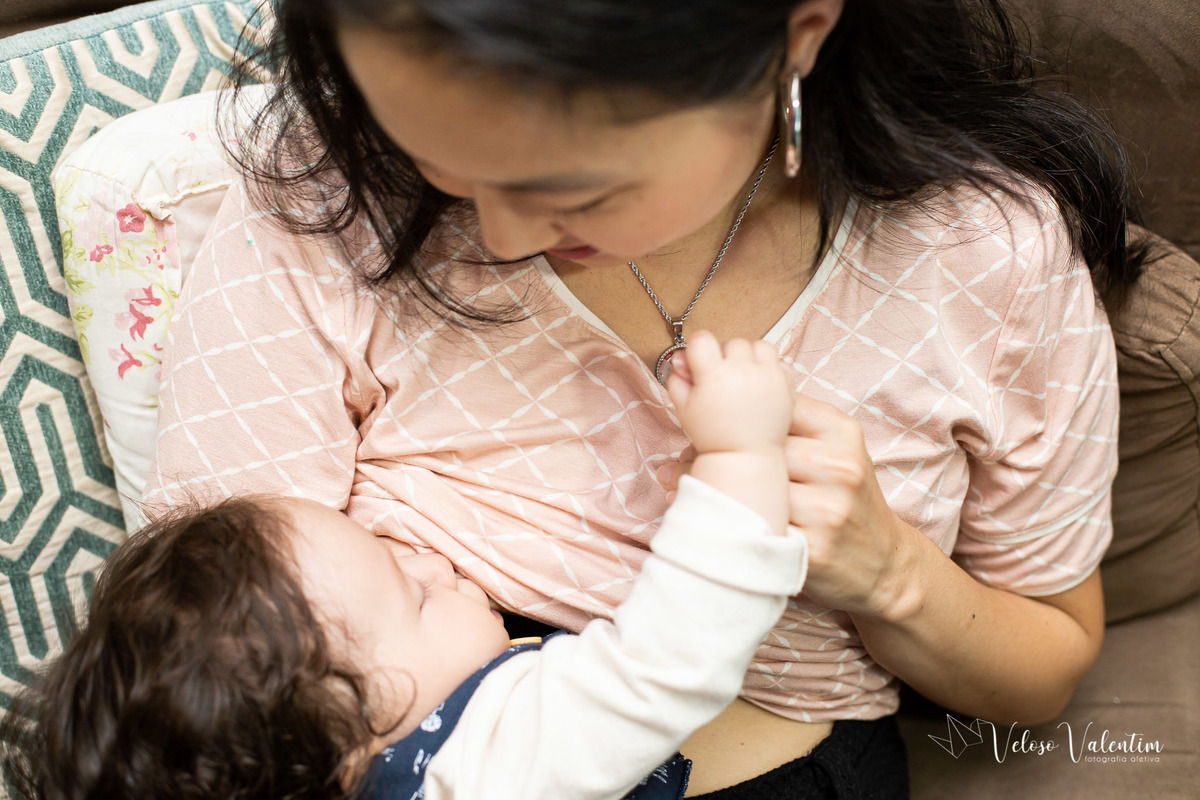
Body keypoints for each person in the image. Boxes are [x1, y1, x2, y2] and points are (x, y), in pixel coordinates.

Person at [144, 0, 1144, 796]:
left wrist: (892, 577)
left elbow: (1043, 667)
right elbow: (225, 666)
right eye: (440, 167)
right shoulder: (324, 187)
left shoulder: (983, 254)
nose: (498, 238)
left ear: (795, 34)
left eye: (576, 189)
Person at [3, 335, 808, 800]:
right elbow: (673, 656)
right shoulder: (485, 768)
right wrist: (742, 453)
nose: (433, 562)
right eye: (414, 596)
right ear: (356, 747)